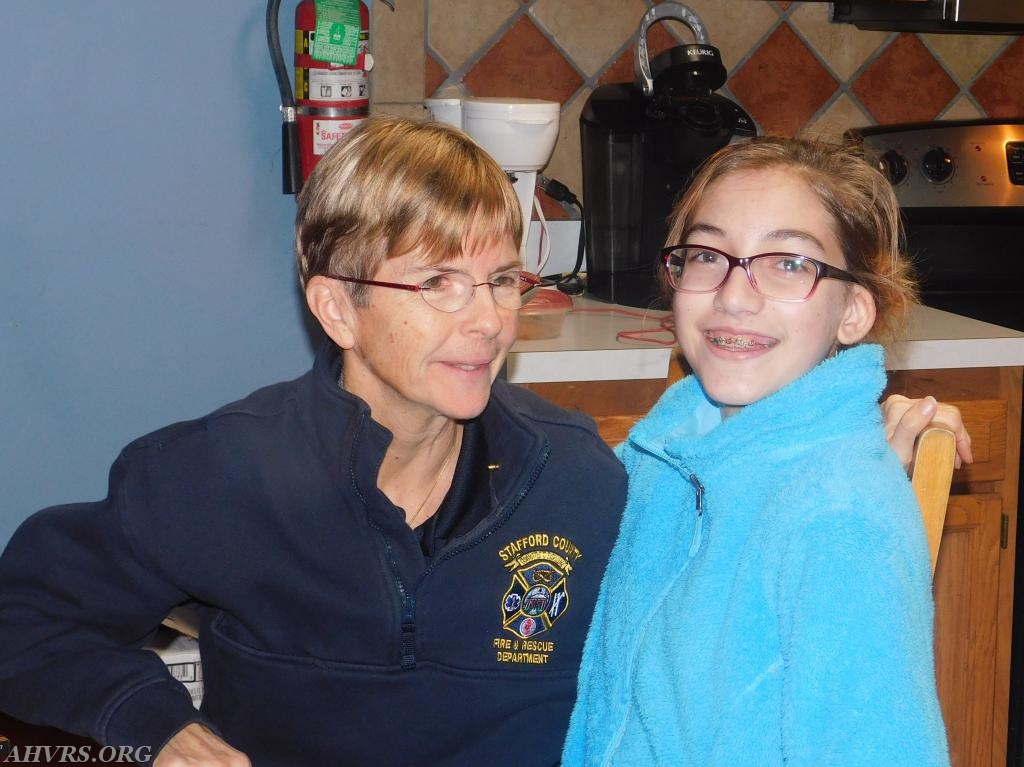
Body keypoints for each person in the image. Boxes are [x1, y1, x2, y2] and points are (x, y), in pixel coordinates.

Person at [0, 118, 965, 767]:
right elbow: (23, 616)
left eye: (502, 280)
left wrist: (860, 436)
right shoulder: (217, 476)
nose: (484, 322)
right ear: (337, 305)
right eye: (437, 284)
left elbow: (725, 506)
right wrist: (160, 726)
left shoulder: (582, 483)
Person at [562, 136, 951, 766]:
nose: (734, 295)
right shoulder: (665, 457)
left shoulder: (839, 520)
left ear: (853, 310)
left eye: (789, 263)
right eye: (708, 255)